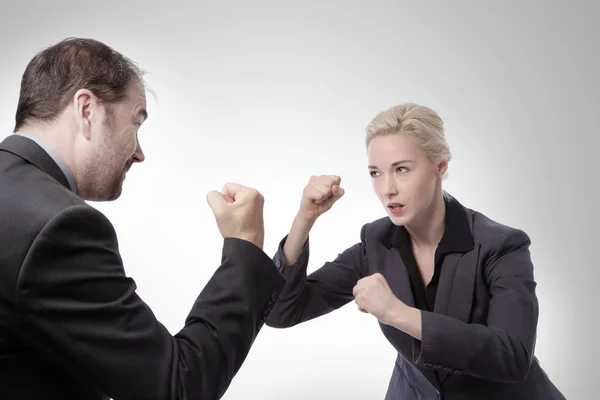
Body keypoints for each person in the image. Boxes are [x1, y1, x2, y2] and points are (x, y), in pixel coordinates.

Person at [0, 37, 285, 400]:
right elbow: (177, 388)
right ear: (87, 110)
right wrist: (244, 248)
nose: (139, 152)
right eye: (136, 123)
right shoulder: (59, 227)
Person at [266, 103, 566, 400]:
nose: (387, 189)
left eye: (401, 169)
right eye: (375, 173)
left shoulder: (501, 245)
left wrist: (397, 313)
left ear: (440, 166)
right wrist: (304, 219)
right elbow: (281, 312)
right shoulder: (376, 242)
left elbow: (512, 356)